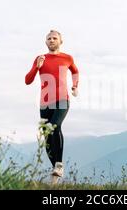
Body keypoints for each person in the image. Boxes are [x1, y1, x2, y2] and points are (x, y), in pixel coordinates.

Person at [25, 30, 79, 180]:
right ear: (45, 42)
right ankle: (55, 170)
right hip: (45, 102)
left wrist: (75, 86)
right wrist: (37, 66)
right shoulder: (40, 59)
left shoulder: (67, 58)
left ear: (61, 41)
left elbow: (75, 71)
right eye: (49, 38)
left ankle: (59, 165)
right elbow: (27, 80)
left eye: (55, 38)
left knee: (54, 126)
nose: (51, 40)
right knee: (47, 136)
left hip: (63, 99)